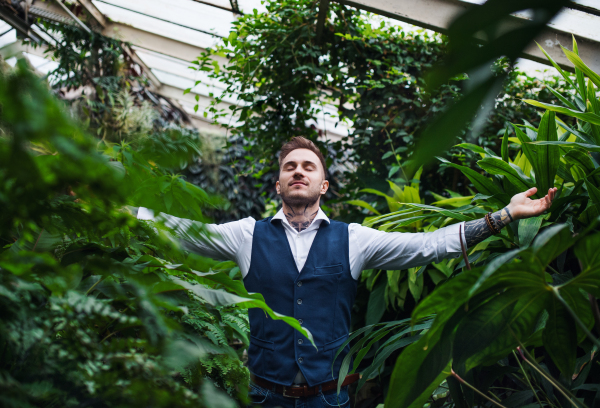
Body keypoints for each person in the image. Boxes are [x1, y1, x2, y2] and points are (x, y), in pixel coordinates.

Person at [137, 137, 556, 408]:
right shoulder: (245, 236)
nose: (298, 171)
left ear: (323, 186)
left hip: (330, 399)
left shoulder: (354, 239)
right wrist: (102, 206)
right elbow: (178, 231)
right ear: (278, 185)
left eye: (308, 167)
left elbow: (426, 245)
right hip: (264, 396)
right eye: (289, 167)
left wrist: (503, 215)